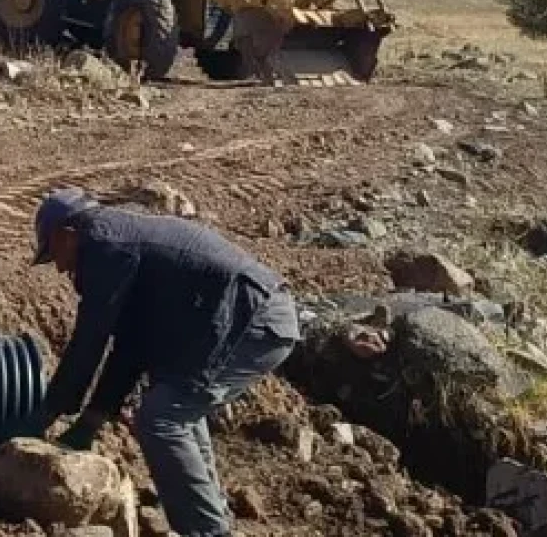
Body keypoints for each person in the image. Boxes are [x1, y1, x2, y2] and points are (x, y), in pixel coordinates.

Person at [25, 187, 387, 537]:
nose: (58, 268)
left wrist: (48, 411)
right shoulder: (115, 237)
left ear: (67, 234)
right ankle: (213, 518)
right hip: (242, 316)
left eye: (54, 255)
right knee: (174, 401)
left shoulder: (105, 246)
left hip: (251, 320)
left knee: (162, 417)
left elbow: (90, 338)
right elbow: (130, 345)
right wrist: (89, 422)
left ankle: (208, 531)